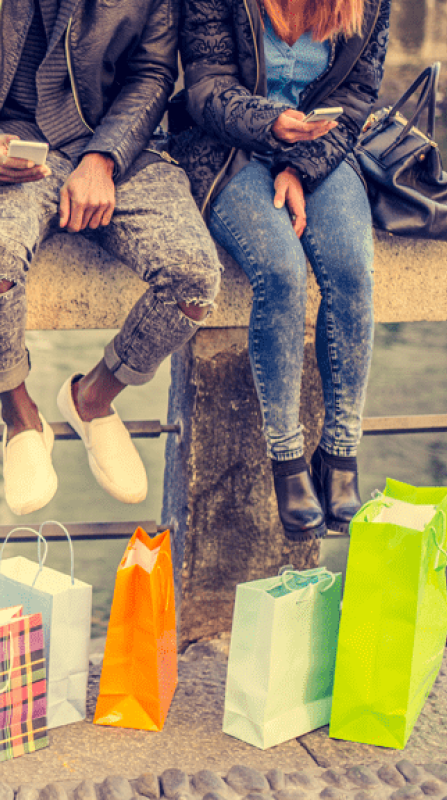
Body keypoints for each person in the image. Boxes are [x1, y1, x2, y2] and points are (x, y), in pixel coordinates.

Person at [0, 0, 224, 515]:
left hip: (114, 146)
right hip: (0, 142)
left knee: (193, 277)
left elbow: (151, 74)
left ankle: (94, 399)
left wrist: (103, 158)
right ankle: (19, 414)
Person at [171, 0, 389, 538]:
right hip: (226, 148)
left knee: (351, 270)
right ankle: (287, 457)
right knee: (283, 273)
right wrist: (272, 125)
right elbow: (206, 87)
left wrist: (299, 167)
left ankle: (340, 453)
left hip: (319, 150)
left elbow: (356, 96)